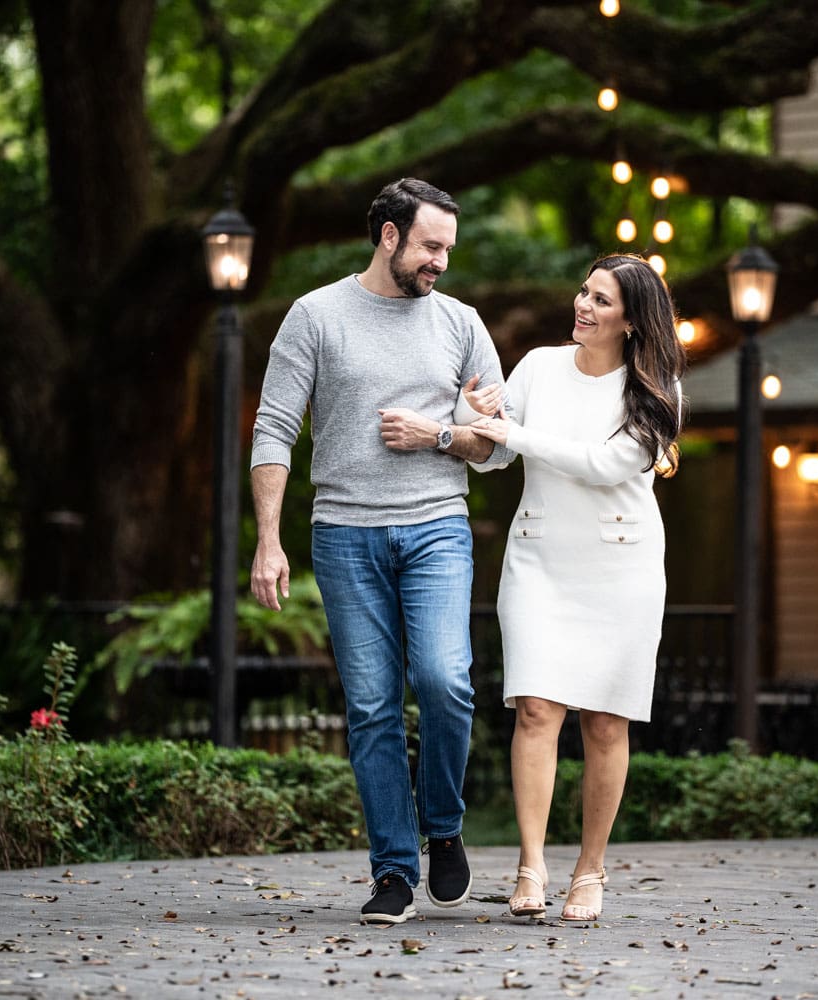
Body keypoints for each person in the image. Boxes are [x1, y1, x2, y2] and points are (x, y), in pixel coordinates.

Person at [249, 178, 513, 926]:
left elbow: (498, 449)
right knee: (370, 709)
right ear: (389, 236)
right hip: (343, 534)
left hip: (436, 526)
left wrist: (440, 435)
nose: (441, 263)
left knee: (444, 679)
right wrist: (269, 540)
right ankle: (394, 870)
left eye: (448, 249)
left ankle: (445, 824)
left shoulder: (460, 324)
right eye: (431, 246)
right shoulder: (315, 317)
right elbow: (273, 430)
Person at [467, 253, 686, 923]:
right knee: (535, 709)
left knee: (605, 721)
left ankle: (590, 871)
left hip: (621, 569)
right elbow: (497, 451)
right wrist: (473, 414)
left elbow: (603, 465)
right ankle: (531, 865)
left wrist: (517, 432)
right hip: (538, 560)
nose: (583, 306)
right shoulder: (536, 367)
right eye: (584, 292)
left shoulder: (659, 388)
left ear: (631, 321)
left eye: (602, 300)